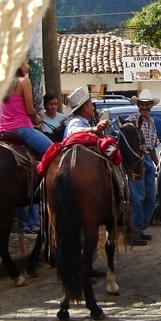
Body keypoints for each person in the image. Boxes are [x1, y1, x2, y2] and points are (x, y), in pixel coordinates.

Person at [62, 87, 117, 275]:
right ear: (84, 106)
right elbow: (76, 131)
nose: (93, 107)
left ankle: (87, 265)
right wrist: (94, 129)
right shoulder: (76, 122)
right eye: (90, 104)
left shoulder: (84, 120)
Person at [125, 89, 160, 245]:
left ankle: (140, 228)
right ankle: (133, 231)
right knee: (137, 197)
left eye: (147, 104)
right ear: (138, 105)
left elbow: (152, 147)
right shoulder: (131, 121)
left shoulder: (151, 122)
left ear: (151, 105)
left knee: (150, 198)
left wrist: (158, 164)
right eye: (142, 104)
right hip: (137, 161)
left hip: (148, 161)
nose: (145, 107)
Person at [0, 61, 53, 156]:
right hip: (22, 129)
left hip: (2, 130)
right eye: (25, 63)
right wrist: (37, 118)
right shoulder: (24, 81)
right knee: (54, 152)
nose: (28, 67)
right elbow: (30, 110)